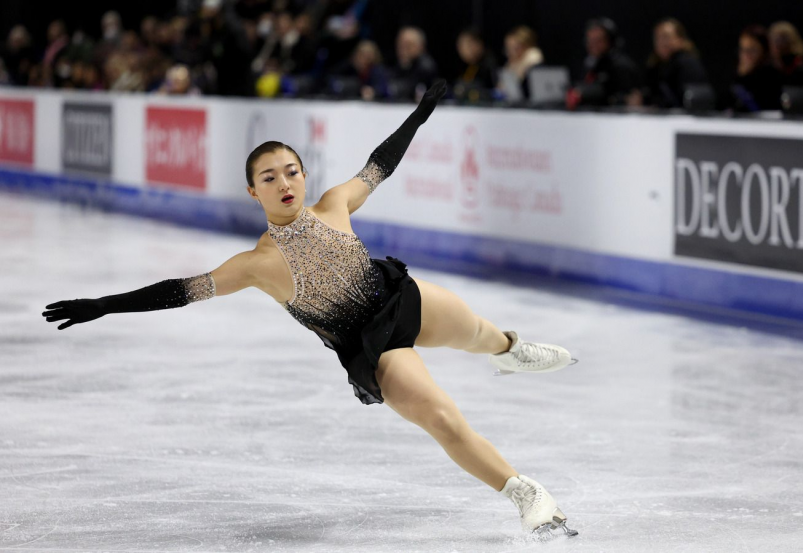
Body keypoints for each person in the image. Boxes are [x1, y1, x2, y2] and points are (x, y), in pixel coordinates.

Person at [41, 80, 579, 538]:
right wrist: (105, 304)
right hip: (372, 348)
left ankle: (510, 352)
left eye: (291, 171)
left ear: (304, 174)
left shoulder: (335, 204)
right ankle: (526, 494)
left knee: (481, 333)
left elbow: (380, 164)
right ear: (252, 192)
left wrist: (419, 114)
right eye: (269, 177)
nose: (284, 183)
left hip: (399, 298)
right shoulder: (256, 264)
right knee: (442, 419)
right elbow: (183, 289)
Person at [571, 18, 640, 107]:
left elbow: (626, 99)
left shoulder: (622, 66)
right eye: (590, 41)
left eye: (598, 40)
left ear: (610, 41)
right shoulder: (590, 64)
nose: (593, 45)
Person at [641, 18, 708, 108]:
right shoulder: (655, 65)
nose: (661, 42)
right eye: (657, 38)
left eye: (666, 37)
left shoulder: (687, 64)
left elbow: (687, 100)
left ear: (680, 39)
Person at [733, 25, 782, 112]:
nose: (746, 55)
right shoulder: (739, 76)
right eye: (743, 49)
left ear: (764, 51)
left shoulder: (771, 77)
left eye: (752, 50)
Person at [388, 26, 438, 100]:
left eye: (409, 45)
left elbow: (411, 88)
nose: (403, 49)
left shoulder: (426, 67)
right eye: (400, 45)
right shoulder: (396, 64)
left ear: (421, 46)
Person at [498, 26, 544, 101]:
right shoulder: (513, 60)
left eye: (515, 47)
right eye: (508, 48)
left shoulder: (533, 54)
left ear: (525, 45)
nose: (509, 52)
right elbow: (501, 87)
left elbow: (518, 80)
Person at [453, 27, 499, 101]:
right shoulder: (467, 66)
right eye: (460, 45)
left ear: (479, 44)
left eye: (468, 45)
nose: (462, 49)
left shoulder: (488, 66)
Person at [768, 21, 803, 87]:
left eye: (783, 38)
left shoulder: (800, 66)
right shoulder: (768, 64)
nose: (779, 42)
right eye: (776, 38)